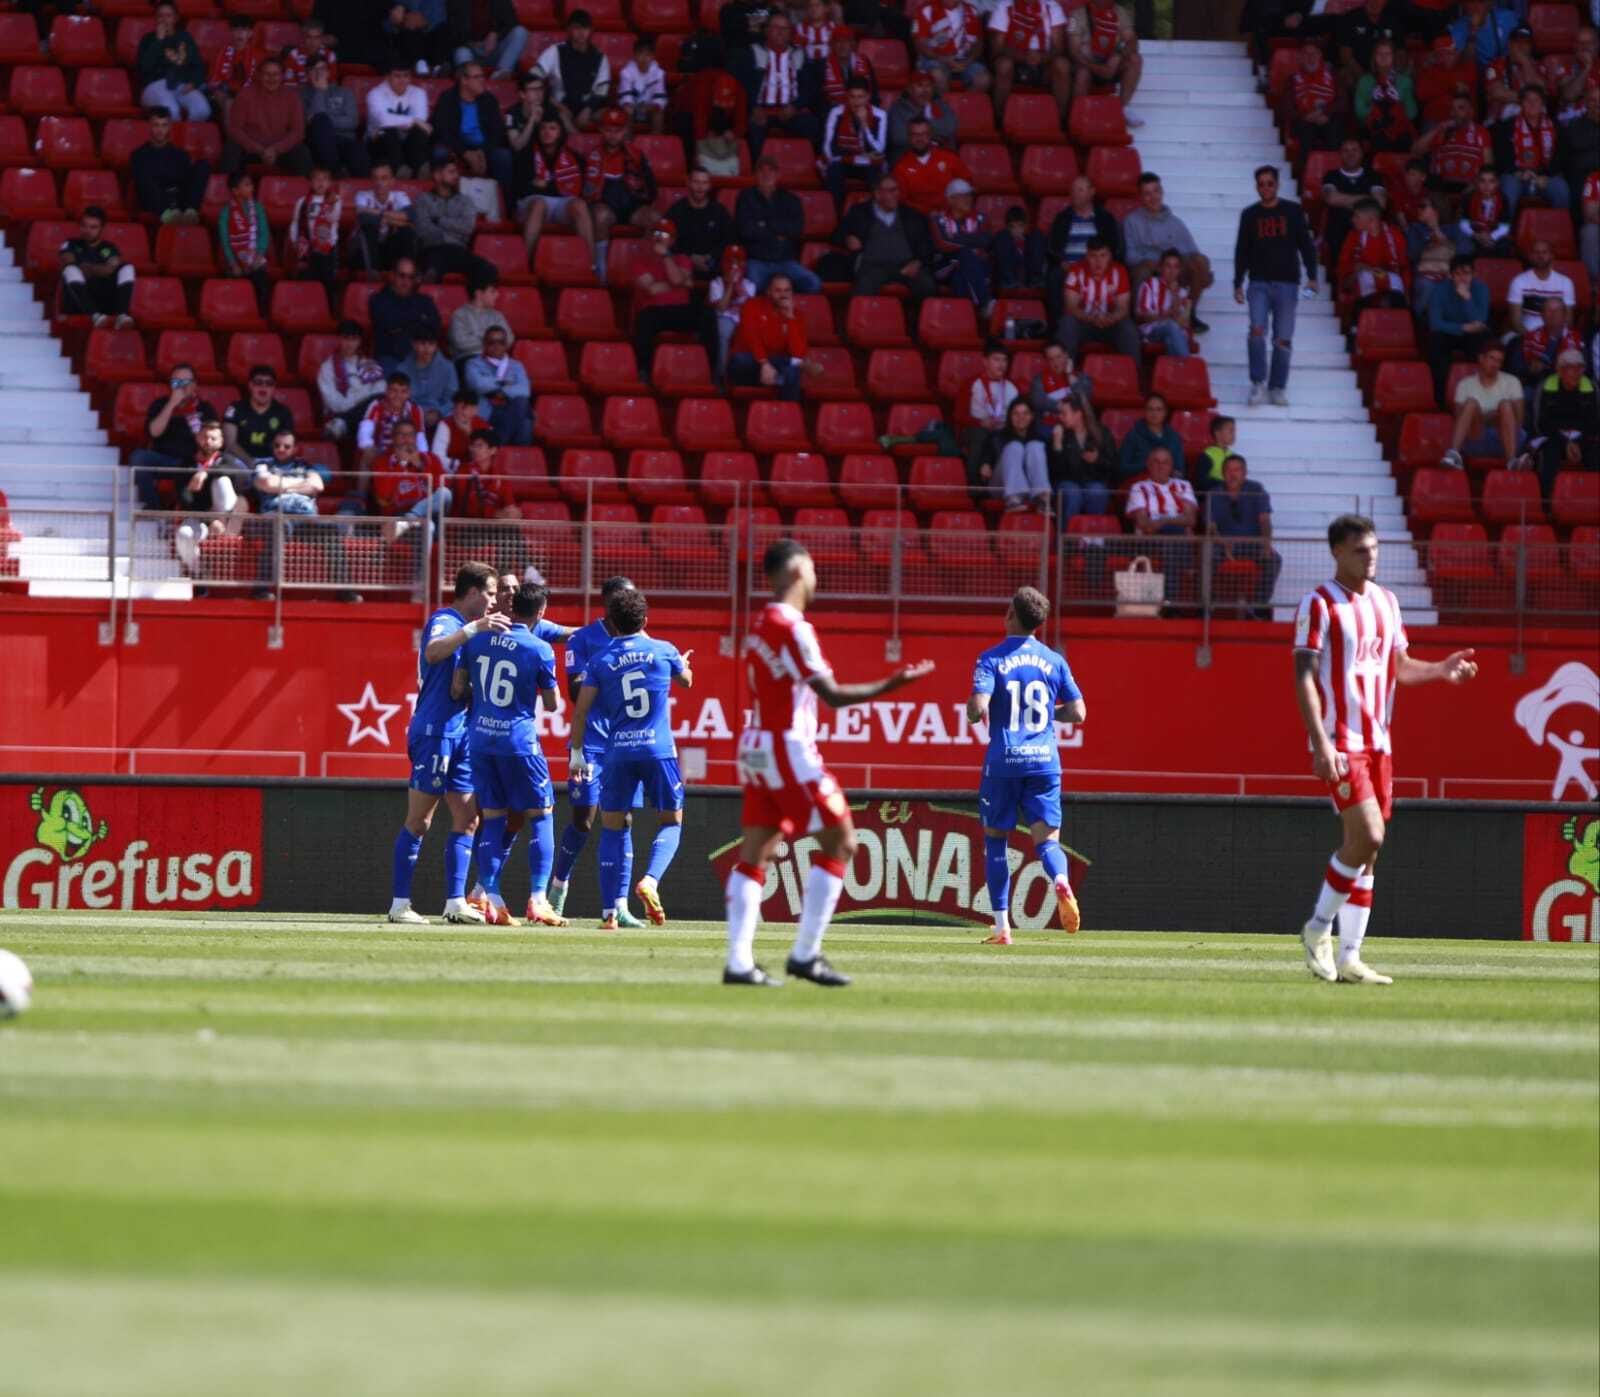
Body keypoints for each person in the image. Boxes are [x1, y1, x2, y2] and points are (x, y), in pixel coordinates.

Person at [723, 539, 934, 986]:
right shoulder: (793, 626)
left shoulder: (759, 622)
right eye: (813, 569)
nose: (816, 579)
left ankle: (739, 962)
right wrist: (891, 684)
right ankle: (805, 954)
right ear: (798, 571)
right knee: (842, 840)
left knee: (755, 852)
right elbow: (832, 695)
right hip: (786, 747)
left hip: (756, 743)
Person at [1292, 514, 1478, 984]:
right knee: (1369, 836)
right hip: (1343, 742)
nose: (1370, 555)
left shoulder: (1388, 602)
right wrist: (1321, 743)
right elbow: (1304, 677)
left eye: (1373, 548)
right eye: (1360, 549)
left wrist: (1440, 670)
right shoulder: (1319, 604)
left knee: (1368, 852)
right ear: (1336, 552)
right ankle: (1317, 930)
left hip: (1380, 743)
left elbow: (1398, 666)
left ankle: (1351, 955)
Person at [568, 588, 695, 929]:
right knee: (671, 821)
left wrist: (577, 755)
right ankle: (650, 881)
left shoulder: (601, 660)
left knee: (611, 827)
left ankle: (610, 913)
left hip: (617, 752)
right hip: (658, 750)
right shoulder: (662, 650)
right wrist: (681, 662)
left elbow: (581, 712)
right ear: (646, 620)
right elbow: (686, 680)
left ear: (610, 623)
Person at [388, 562, 508, 925]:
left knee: (468, 817)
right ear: (471, 592)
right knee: (420, 820)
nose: (492, 601)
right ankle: (399, 905)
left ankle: (455, 901)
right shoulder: (446, 620)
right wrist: (474, 629)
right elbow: (434, 653)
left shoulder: (475, 632)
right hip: (435, 731)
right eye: (488, 592)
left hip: (461, 733)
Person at [968, 586, 1086, 945]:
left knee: (996, 844)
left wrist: (980, 707)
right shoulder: (1054, 661)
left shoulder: (991, 659)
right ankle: (1061, 880)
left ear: (1010, 615)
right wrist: (1050, 713)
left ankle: (1003, 927)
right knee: (1048, 843)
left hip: (1004, 762)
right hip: (1044, 763)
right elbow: (1079, 712)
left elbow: (976, 709)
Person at [449, 583, 562, 926]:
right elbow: (553, 703)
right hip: (519, 742)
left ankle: (492, 898)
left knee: (494, 817)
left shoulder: (477, 639)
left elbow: (457, 688)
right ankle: (539, 899)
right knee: (542, 814)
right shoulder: (540, 648)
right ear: (540, 613)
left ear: (512, 609)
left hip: (481, 740)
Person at [546, 575, 649, 926]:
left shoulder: (642, 643)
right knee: (584, 818)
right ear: (607, 602)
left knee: (624, 818)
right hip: (590, 742)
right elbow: (576, 692)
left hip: (625, 742)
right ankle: (557, 888)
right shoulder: (583, 639)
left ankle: (618, 905)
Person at [1233, 164, 1318, 408]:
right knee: (1256, 331)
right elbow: (1242, 251)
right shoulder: (1249, 215)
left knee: (1283, 339)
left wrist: (1312, 276)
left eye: (1270, 183)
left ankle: (1278, 386)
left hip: (1287, 284)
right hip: (1258, 283)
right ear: (1256, 186)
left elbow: (1306, 245)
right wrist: (1238, 283)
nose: (1266, 188)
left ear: (1278, 185)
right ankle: (1258, 383)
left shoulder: (1293, 211)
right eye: (1261, 184)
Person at [250, 428, 361, 603]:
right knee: (278, 528)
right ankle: (261, 589)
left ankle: (344, 590)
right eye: (277, 445)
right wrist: (301, 483)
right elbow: (266, 483)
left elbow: (317, 486)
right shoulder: (263, 464)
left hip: (305, 517)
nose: (281, 449)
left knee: (331, 533)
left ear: (294, 449)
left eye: (287, 446)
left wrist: (280, 485)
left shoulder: (305, 466)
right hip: (277, 514)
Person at [632, 220, 718, 386]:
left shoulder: (681, 259)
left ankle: (711, 373)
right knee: (644, 320)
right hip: (654, 310)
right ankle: (644, 372)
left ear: (671, 240)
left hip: (680, 309)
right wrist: (678, 284)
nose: (659, 238)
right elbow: (651, 289)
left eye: (664, 235)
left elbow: (677, 279)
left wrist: (666, 257)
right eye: (656, 234)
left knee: (706, 314)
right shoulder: (640, 261)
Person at [1121, 172, 1212, 327]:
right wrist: (1154, 261)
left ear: (1162, 192)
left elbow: (1193, 252)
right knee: (1141, 270)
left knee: (1200, 263)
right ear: (1141, 198)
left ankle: (1188, 314)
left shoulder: (1175, 223)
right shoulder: (1131, 221)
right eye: (1147, 194)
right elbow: (1129, 256)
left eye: (1156, 191)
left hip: (1171, 269)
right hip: (1147, 268)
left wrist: (1177, 264)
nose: (1153, 197)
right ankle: (1138, 320)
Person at [837, 174, 939, 312]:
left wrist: (918, 262)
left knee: (927, 285)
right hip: (873, 265)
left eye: (896, 190)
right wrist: (848, 238)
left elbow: (927, 245)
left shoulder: (911, 215)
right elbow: (837, 234)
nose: (896, 194)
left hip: (905, 265)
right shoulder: (859, 212)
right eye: (890, 190)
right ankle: (860, 326)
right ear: (877, 194)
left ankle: (919, 328)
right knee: (864, 286)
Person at [130, 364, 220, 511]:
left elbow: (215, 439)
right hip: (165, 460)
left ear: (194, 385)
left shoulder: (205, 408)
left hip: (192, 461)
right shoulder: (160, 404)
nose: (181, 387)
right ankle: (154, 507)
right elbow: (154, 432)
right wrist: (172, 404)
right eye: (177, 383)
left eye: (186, 383)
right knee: (139, 457)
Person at [584, 107, 658, 282]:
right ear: (602, 131)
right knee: (599, 215)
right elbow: (587, 193)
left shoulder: (636, 155)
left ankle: (646, 270)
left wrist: (644, 201)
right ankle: (600, 271)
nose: (612, 135)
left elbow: (651, 189)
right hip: (608, 209)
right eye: (609, 130)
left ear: (624, 131)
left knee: (655, 218)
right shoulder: (593, 155)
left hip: (633, 207)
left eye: (617, 131)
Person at [171, 420, 249, 580]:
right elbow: (185, 499)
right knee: (184, 535)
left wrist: (206, 473)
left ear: (221, 442)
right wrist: (210, 520)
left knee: (222, 480)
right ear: (198, 438)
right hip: (200, 517)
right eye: (205, 437)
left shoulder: (228, 461)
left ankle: (226, 527)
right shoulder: (186, 465)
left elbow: (241, 475)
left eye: (213, 438)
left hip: (226, 515)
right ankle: (199, 573)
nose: (208, 442)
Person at [1205, 454, 1281, 613]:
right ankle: (1209, 605)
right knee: (1208, 554)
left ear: (1245, 473)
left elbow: (1265, 521)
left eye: (1237, 470)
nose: (1233, 474)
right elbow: (1211, 528)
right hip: (1224, 546)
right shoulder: (1214, 493)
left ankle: (1257, 607)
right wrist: (1221, 542)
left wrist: (1266, 543)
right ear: (1223, 473)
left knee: (1274, 559)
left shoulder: (1256, 489)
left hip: (1252, 544)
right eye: (1228, 470)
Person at [728, 273, 823, 400]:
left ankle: (789, 413)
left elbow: (798, 352)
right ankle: (786, 373)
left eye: (787, 290)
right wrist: (764, 363)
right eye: (778, 290)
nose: (783, 295)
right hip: (750, 363)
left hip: (777, 364)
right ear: (768, 292)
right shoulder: (751, 305)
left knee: (792, 371)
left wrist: (790, 318)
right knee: (740, 360)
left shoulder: (797, 316)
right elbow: (752, 339)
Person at [736, 156, 821, 293]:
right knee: (750, 289)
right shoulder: (746, 197)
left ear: (777, 174)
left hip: (785, 261)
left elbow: (796, 230)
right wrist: (779, 233)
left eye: (771, 170)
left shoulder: (791, 200)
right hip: (757, 261)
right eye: (762, 170)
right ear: (755, 174)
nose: (766, 174)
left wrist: (764, 224)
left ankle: (784, 299)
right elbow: (746, 231)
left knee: (813, 283)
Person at [1045, 175, 1122, 325]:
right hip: (1069, 268)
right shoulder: (1062, 218)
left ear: (1092, 192)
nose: (1074, 194)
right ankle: (1058, 328)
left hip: (1098, 268)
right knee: (1055, 277)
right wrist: (1062, 263)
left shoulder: (1105, 218)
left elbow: (1114, 249)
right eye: (1073, 190)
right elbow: (1052, 249)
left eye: (1080, 190)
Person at [1126, 446, 1198, 603]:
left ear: (1171, 466)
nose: (1160, 466)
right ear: (1148, 464)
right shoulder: (1139, 488)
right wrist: (1175, 520)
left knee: (1171, 544)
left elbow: (1191, 519)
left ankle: (1170, 603)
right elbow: (1144, 523)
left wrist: (1163, 520)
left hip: (1173, 540)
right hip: (1149, 540)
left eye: (1165, 462)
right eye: (1156, 462)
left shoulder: (1184, 485)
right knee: (1175, 540)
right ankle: (1187, 568)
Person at [520, 116, 596, 262]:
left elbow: (577, 189)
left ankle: (590, 265)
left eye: (552, 128)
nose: (547, 132)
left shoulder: (574, 157)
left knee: (579, 205)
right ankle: (526, 264)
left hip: (562, 203)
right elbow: (522, 188)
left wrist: (546, 185)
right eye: (543, 128)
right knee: (539, 204)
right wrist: (555, 186)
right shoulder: (526, 154)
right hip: (531, 203)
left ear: (560, 132)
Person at [431, 62, 513, 196]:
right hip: (457, 147)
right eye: (477, 77)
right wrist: (465, 152)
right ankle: (440, 199)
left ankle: (506, 206)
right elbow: (442, 131)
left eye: (482, 76)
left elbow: (497, 132)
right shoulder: (448, 98)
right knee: (439, 152)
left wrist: (482, 152)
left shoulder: (489, 99)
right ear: (464, 80)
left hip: (484, 147)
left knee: (504, 157)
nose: (482, 80)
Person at [1440, 341, 1524, 470]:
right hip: (1476, 438)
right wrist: (1487, 417)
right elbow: (1459, 419)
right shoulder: (1464, 384)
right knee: (1471, 403)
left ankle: (1512, 460)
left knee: (1505, 405)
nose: (1495, 364)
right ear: (1481, 358)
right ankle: (1453, 455)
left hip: (1506, 439)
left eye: (1499, 361)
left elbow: (1519, 420)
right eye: (1491, 358)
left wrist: (1497, 418)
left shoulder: (1512, 382)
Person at [988, 0, 1071, 128]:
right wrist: (1023, 57)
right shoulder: (1004, 6)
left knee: (1062, 65)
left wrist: (1042, 58)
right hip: (1015, 61)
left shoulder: (1052, 6)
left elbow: (1058, 48)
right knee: (1003, 65)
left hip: (1044, 61)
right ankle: (999, 122)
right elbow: (997, 48)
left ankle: (1060, 123)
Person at [1527, 350, 1598, 498]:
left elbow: (1595, 422)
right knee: (1549, 454)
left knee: (1596, 454)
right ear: (1559, 370)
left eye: (1580, 368)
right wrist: (1565, 442)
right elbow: (1540, 423)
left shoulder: (1591, 387)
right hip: (1553, 437)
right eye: (1571, 368)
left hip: (1584, 438)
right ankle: (1547, 505)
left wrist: (1578, 442)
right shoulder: (1546, 386)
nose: (1576, 373)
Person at [222, 57, 310, 176]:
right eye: (267, 74)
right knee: (231, 148)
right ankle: (229, 190)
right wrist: (258, 149)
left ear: (282, 76)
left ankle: (301, 192)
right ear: (259, 75)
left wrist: (276, 149)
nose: (271, 78)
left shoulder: (291, 97)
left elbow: (298, 132)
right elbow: (235, 129)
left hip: (280, 150)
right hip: (252, 149)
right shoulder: (245, 94)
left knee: (302, 152)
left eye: (276, 74)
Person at [1058, 235, 1138, 360]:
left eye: (1103, 255)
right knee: (1067, 323)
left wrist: (1110, 318)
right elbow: (1070, 307)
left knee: (1127, 327)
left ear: (1110, 255)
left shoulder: (1120, 271)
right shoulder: (1075, 270)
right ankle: (1066, 371)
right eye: (1093, 256)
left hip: (1110, 325)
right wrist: (1090, 318)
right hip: (1084, 324)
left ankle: (1133, 374)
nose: (1098, 261)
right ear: (1086, 256)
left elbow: (1123, 308)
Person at [413, 157, 491, 284]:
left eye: (456, 172)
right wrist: (451, 234)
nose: (456, 175)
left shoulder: (465, 201)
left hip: (458, 250)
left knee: (488, 270)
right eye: (451, 172)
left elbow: (467, 228)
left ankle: (475, 301)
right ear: (437, 175)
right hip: (432, 249)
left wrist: (439, 220)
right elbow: (423, 230)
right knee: (433, 265)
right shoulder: (423, 200)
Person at [747, 14, 816, 156]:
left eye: (784, 29)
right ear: (766, 31)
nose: (780, 32)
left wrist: (795, 106)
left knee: (811, 125)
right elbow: (744, 84)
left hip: (790, 110)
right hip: (762, 109)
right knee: (753, 128)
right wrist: (753, 107)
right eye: (775, 27)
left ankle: (805, 168)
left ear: (790, 33)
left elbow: (809, 88)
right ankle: (756, 171)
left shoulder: (799, 54)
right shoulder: (752, 52)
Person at [1068, 0, 1143, 127]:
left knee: (1135, 60)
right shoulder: (1078, 14)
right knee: (1082, 74)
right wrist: (1097, 68)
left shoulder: (1120, 13)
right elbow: (1074, 52)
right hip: (1087, 65)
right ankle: (1079, 117)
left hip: (1112, 64)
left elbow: (1132, 42)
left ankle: (1122, 109)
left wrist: (1118, 56)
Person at [1498, 84, 1571, 213]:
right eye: (1527, 100)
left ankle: (1557, 230)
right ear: (1521, 103)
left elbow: (1562, 157)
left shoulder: (1555, 126)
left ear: (1542, 104)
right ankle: (1506, 230)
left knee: (1561, 188)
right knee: (1509, 187)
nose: (1532, 104)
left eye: (1536, 100)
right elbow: (1501, 157)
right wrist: (1518, 172)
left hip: (1545, 177)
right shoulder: (1507, 126)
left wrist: (1545, 176)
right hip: (1517, 176)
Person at [535, 9, 612, 131]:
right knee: (559, 116)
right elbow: (533, 78)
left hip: (589, 107)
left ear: (591, 30)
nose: (581, 32)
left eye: (585, 28)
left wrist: (588, 110)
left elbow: (601, 91)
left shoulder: (600, 57)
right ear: (568, 30)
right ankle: (578, 145)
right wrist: (557, 105)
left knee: (616, 117)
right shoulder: (555, 51)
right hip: (561, 106)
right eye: (577, 28)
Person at [373, 419, 452, 538]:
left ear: (415, 438)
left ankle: (411, 517)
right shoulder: (382, 461)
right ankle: (410, 519)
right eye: (401, 434)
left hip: (429, 512)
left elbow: (439, 490)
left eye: (410, 435)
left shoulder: (431, 459)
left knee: (445, 493)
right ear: (393, 438)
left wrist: (420, 466)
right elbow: (384, 495)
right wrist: (401, 463)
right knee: (428, 527)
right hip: (399, 514)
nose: (406, 439)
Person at [131, 108, 210, 226]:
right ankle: (168, 215)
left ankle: (191, 211)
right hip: (155, 201)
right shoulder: (138, 155)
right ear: (149, 126)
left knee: (203, 165)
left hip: (178, 200)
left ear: (169, 127)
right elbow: (145, 186)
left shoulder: (181, 155)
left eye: (164, 125)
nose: (160, 130)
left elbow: (185, 182)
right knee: (143, 175)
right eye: (156, 125)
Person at [58, 209, 136, 329]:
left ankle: (122, 315)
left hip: (103, 298)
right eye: (84, 226)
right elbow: (67, 260)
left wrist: (87, 268)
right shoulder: (70, 244)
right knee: (70, 270)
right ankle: (94, 315)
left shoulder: (109, 248)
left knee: (127, 268)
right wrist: (99, 269)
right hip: (78, 302)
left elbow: (110, 269)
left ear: (102, 229)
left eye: (93, 227)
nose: (87, 230)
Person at [821, 78, 889, 212]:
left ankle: (875, 217)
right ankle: (838, 218)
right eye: (852, 96)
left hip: (868, 165)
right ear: (847, 96)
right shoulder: (836, 112)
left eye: (860, 97)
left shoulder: (880, 115)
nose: (856, 102)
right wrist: (859, 155)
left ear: (868, 97)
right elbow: (827, 149)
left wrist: (864, 125)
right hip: (844, 163)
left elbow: (879, 149)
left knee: (876, 175)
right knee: (834, 171)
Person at [1321, 139, 1384, 281]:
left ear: (1362, 153)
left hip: (1368, 230)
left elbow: (1380, 203)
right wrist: (1367, 199)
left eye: (1354, 150)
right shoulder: (1331, 176)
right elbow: (1331, 198)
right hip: (1338, 231)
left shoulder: (1373, 176)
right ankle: (1342, 282)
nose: (1350, 154)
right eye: (1346, 150)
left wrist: (1344, 200)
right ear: (1340, 154)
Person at [137, 1, 210, 122]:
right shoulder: (148, 39)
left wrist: (194, 83)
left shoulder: (185, 38)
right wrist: (158, 41)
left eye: (168, 16)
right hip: (155, 86)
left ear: (176, 18)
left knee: (202, 110)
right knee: (171, 111)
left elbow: (198, 65)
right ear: (156, 19)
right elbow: (144, 68)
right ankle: (174, 140)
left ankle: (187, 137)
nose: (164, 19)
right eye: (160, 16)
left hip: (181, 84)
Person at [1416, 86, 1493, 198]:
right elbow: (1416, 150)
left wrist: (1474, 186)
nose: (1455, 112)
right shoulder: (1442, 129)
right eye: (1453, 109)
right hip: (1441, 186)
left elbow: (1488, 167)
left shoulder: (1481, 132)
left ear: (1471, 111)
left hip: (1469, 186)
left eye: (1460, 108)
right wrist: (1437, 130)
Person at [1047, 394, 1115, 518]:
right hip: (1067, 483)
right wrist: (1057, 446)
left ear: (1078, 414)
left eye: (1064, 413)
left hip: (1093, 481)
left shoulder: (1102, 433)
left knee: (1097, 491)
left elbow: (1113, 465)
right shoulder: (1059, 434)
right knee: (1072, 492)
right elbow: (1054, 473)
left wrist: (1097, 460)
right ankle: (1067, 537)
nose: (1060, 417)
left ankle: (1093, 535)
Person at [462, 327, 532, 446]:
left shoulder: (516, 366)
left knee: (522, 403)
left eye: (501, 342)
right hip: (486, 411)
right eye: (491, 342)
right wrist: (504, 383)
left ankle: (498, 445)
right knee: (524, 421)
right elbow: (478, 385)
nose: (497, 346)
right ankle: (502, 448)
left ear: (506, 345)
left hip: (509, 409)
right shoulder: (473, 364)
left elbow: (525, 390)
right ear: (484, 344)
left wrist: (499, 390)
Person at [1336, 198, 1409, 312]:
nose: (1353, 220)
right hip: (1361, 291)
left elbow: (1404, 268)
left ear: (1371, 220)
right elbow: (1343, 270)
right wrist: (1355, 270)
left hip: (1391, 290)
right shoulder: (1353, 237)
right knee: (1364, 280)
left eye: (1357, 216)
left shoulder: (1395, 236)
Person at [317, 321, 387, 440]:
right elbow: (333, 403)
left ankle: (344, 423)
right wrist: (361, 401)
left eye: (354, 339)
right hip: (340, 413)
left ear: (359, 341)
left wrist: (360, 402)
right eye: (346, 339)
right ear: (339, 339)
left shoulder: (369, 365)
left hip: (368, 416)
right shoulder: (327, 368)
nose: (349, 344)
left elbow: (381, 392)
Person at [890, 116, 972, 216]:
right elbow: (902, 201)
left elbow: (966, 184)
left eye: (924, 134)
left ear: (930, 135)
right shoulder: (900, 167)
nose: (920, 139)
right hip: (919, 220)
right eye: (915, 135)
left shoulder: (949, 158)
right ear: (908, 137)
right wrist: (927, 212)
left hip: (951, 216)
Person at [357, 372, 427, 488]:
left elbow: (420, 439)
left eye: (403, 392)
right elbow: (364, 434)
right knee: (367, 453)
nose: (397, 396)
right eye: (394, 391)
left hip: (406, 451)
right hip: (380, 452)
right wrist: (370, 447)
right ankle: (361, 497)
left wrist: (421, 455)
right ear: (386, 391)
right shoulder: (376, 406)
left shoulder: (415, 410)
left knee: (423, 459)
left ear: (408, 394)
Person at [369, 258, 442, 371]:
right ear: (392, 275)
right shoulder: (378, 300)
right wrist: (419, 320)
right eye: (402, 276)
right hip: (391, 358)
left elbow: (435, 327)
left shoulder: (425, 300)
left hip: (423, 356)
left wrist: (403, 325)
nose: (406, 281)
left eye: (410, 277)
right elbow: (390, 324)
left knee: (446, 370)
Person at [931, 178, 992, 311]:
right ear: (951, 199)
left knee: (959, 277)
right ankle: (985, 302)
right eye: (963, 196)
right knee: (965, 254)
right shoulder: (938, 219)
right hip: (944, 265)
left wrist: (957, 239)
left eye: (969, 195)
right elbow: (943, 244)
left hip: (967, 267)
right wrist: (971, 242)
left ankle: (966, 316)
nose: (968, 199)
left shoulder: (981, 218)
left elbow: (985, 241)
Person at [963, 339, 1018, 486]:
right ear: (985, 361)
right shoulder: (971, 384)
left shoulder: (1012, 387)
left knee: (1004, 438)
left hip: (1003, 430)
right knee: (981, 434)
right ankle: (975, 488)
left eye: (1004, 360)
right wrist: (980, 422)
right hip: (976, 429)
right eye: (996, 360)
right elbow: (959, 416)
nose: (1001, 364)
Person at [301, 56, 367, 178]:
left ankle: (362, 188)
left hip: (344, 139)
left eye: (322, 69)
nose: (318, 73)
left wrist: (326, 121)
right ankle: (333, 174)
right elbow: (309, 122)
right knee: (321, 122)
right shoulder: (302, 94)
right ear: (307, 73)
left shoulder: (345, 92)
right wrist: (319, 91)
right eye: (314, 70)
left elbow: (352, 122)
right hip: (316, 143)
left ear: (328, 72)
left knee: (358, 149)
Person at [223, 364, 294, 474]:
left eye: (269, 383)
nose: (263, 387)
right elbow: (230, 443)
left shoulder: (283, 412)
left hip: (272, 462)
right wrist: (250, 462)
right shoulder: (235, 408)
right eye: (258, 382)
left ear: (274, 387)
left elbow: (286, 446)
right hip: (242, 461)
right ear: (250, 385)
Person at [218, 170, 271, 316]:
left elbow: (264, 234)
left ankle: (261, 317)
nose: (252, 188)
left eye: (251, 185)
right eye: (247, 185)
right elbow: (225, 241)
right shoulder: (226, 212)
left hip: (254, 258)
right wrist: (234, 264)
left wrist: (258, 255)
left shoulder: (258, 208)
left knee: (261, 281)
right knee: (234, 283)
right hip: (235, 261)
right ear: (235, 191)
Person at [667, 168, 734, 283]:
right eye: (696, 182)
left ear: (709, 186)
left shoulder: (719, 211)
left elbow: (729, 238)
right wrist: (691, 257)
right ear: (688, 183)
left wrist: (710, 256)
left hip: (714, 265)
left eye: (704, 183)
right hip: (683, 267)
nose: (700, 187)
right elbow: (668, 240)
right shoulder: (676, 210)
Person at [289, 165, 341, 307]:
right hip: (308, 248)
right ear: (311, 182)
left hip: (328, 248)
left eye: (325, 179)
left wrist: (327, 205)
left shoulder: (335, 200)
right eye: (317, 179)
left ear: (330, 183)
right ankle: (306, 307)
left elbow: (334, 218)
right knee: (307, 279)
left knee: (328, 281)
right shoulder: (302, 202)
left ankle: (329, 309)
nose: (321, 183)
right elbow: (295, 223)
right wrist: (295, 241)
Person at [366, 65, 432, 178]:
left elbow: (422, 119)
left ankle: (419, 170)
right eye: (397, 76)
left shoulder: (418, 93)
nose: (402, 80)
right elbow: (382, 121)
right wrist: (413, 120)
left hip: (408, 142)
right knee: (389, 131)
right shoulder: (375, 93)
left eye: (406, 76)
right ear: (387, 77)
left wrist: (414, 122)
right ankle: (398, 170)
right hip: (380, 142)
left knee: (420, 132)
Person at [354, 163, 420, 275]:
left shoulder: (400, 196)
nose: (379, 183)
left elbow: (411, 217)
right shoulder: (363, 195)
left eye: (384, 178)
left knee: (407, 232)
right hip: (364, 251)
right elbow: (364, 219)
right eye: (376, 178)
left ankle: (407, 273)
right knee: (369, 228)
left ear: (392, 181)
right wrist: (396, 220)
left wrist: (378, 214)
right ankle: (373, 273)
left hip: (390, 248)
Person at [912, 0, 988, 96]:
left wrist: (969, 60)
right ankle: (944, 110)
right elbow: (920, 45)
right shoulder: (925, 10)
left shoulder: (972, 10)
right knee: (938, 75)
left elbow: (979, 43)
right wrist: (942, 59)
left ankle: (963, 107)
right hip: (934, 59)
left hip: (964, 61)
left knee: (983, 79)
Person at [1352, 39, 1416, 152]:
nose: (1383, 57)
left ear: (1394, 57)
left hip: (1399, 129)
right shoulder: (1365, 81)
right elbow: (1359, 112)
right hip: (1373, 129)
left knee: (1404, 140)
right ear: (1374, 57)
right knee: (1378, 139)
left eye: (1387, 53)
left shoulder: (1404, 81)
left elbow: (1412, 114)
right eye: (1380, 53)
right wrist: (1373, 101)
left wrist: (1398, 101)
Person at [988, 399, 1051, 511]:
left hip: (1031, 486)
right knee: (1014, 447)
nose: (1020, 417)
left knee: (1034, 446)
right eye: (1016, 413)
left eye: (1025, 413)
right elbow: (986, 463)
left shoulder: (1040, 438)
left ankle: (1042, 499)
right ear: (1010, 417)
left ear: (1031, 416)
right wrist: (985, 465)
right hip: (1001, 486)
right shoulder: (998, 437)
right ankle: (1013, 499)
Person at [1505, 239, 1578, 335]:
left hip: (1556, 335)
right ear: (1530, 256)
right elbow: (1515, 322)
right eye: (1536, 252)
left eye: (1544, 252)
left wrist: (1552, 339)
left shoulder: (1565, 282)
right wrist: (1533, 340)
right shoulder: (1519, 282)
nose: (1540, 256)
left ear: (1551, 256)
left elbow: (1568, 321)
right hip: (1525, 333)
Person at [1283, 35, 1338, 156]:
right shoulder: (1292, 80)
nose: (1310, 58)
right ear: (1301, 58)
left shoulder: (1333, 77)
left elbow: (1342, 102)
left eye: (1314, 54)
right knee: (1306, 130)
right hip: (1303, 121)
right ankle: (1306, 171)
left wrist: (1325, 113)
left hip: (1327, 119)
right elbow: (1287, 109)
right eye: (1306, 54)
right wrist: (1305, 116)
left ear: (1320, 56)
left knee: (1334, 129)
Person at [709, 244, 757, 383]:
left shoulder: (750, 284)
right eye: (731, 261)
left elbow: (749, 310)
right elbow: (722, 308)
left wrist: (738, 285)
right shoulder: (716, 283)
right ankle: (721, 376)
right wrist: (730, 285)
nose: (734, 266)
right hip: (725, 318)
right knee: (723, 332)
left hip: (744, 319)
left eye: (738, 262)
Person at [888, 70, 960, 161]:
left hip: (940, 161)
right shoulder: (897, 109)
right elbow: (899, 137)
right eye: (920, 85)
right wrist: (936, 135)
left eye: (928, 85)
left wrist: (919, 129)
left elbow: (950, 128)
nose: (925, 90)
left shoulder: (941, 105)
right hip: (907, 161)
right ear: (909, 89)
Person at [396, 330, 460, 430]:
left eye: (431, 344)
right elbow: (400, 397)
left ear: (436, 346)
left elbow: (452, 397)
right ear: (414, 344)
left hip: (440, 412)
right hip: (411, 413)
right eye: (422, 344)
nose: (427, 348)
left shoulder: (448, 367)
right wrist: (417, 413)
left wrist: (439, 412)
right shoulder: (402, 368)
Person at [1135, 248, 1193, 358]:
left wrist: (1174, 295)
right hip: (1151, 331)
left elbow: (1184, 323)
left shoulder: (1182, 292)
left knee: (1170, 339)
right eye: (1168, 266)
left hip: (1173, 332)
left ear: (1180, 270)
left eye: (1176, 267)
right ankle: (1188, 367)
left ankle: (1173, 374)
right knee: (1171, 326)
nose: (1172, 271)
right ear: (1160, 268)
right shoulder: (1150, 285)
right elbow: (1142, 317)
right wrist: (1165, 316)